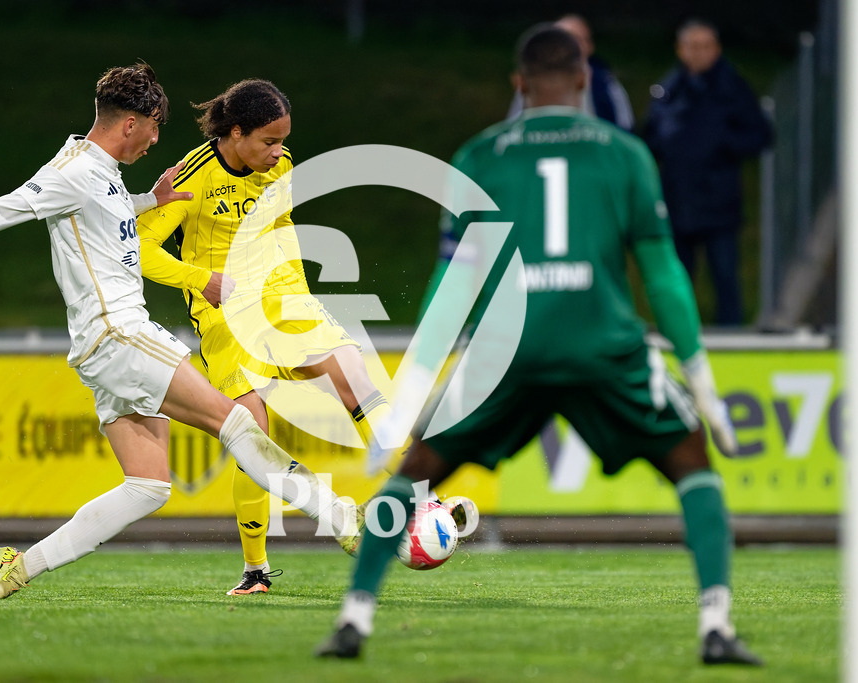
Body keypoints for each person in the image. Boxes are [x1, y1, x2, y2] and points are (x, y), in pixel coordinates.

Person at [316, 24, 762, 666]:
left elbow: (454, 279)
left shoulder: (480, 155)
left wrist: (412, 392)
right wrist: (704, 383)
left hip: (505, 350)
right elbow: (664, 276)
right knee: (693, 465)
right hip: (601, 344)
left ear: (518, 85)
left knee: (416, 472)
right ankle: (716, 628)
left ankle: (353, 620)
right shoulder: (624, 152)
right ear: (584, 79)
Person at [0, 63, 362, 600]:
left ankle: (20, 567)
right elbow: (9, 206)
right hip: (120, 332)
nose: (158, 139)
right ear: (130, 123)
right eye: (154, 128)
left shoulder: (103, 172)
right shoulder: (72, 171)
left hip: (99, 348)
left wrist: (153, 202)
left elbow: (103, 214)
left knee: (147, 486)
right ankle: (341, 516)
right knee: (235, 420)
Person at [138, 79, 392, 595]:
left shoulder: (282, 166)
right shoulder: (192, 178)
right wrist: (199, 279)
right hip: (224, 313)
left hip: (284, 298)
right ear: (235, 133)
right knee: (252, 427)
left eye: (283, 141)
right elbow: (140, 248)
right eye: (268, 142)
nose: (279, 153)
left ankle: (415, 498)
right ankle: (255, 570)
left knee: (354, 373)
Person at [642, 19, 772, 326]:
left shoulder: (733, 88)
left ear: (717, 49)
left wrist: (721, 145)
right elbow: (648, 138)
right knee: (676, 280)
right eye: (692, 46)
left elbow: (760, 135)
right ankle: (678, 333)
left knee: (725, 276)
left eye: (705, 46)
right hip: (678, 202)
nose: (699, 53)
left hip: (719, 204)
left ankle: (733, 337)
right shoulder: (668, 89)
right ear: (680, 49)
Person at [506, 14, 634, 133]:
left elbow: (625, 127)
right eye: (559, 39)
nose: (566, 46)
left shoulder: (606, 83)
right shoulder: (531, 83)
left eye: (576, 39)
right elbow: (512, 125)